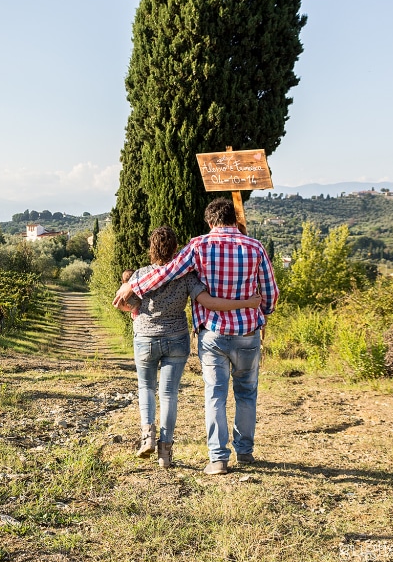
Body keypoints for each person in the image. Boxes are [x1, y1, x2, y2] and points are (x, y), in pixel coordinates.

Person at [114, 198, 278, 476]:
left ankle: (218, 459)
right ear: (233, 218)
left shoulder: (199, 245)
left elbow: (167, 273)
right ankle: (246, 451)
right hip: (248, 333)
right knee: (247, 393)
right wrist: (259, 312)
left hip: (213, 334)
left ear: (210, 221)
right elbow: (270, 295)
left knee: (215, 394)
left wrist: (133, 285)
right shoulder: (256, 247)